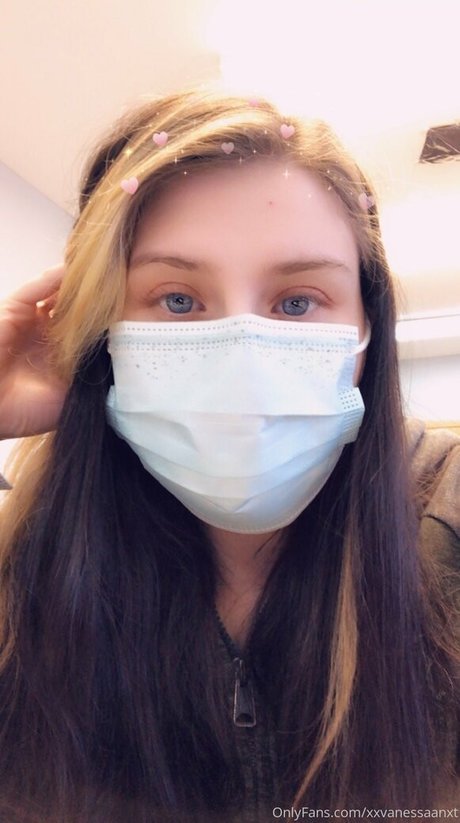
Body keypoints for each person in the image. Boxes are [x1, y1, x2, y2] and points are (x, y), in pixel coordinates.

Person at [0, 87, 458, 822]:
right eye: (178, 300)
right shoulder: (24, 568)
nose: (242, 356)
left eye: (297, 301)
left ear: (367, 331)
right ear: (102, 331)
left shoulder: (448, 511)